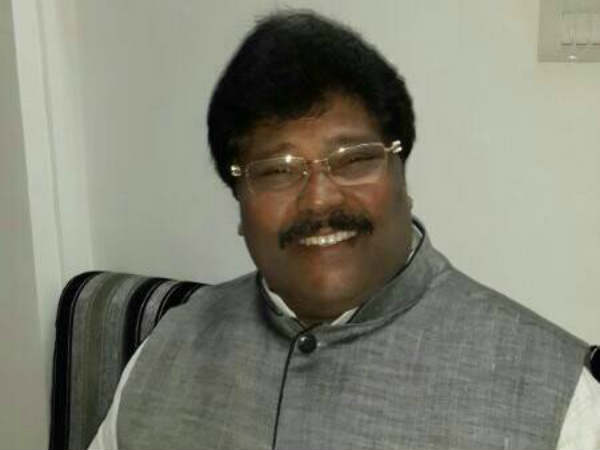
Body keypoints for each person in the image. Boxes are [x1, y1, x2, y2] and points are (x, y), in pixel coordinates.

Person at [89, 10, 600, 450]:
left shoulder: (554, 394)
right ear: (239, 206)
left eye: (353, 159)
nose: (319, 199)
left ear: (402, 178)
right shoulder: (167, 349)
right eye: (278, 170)